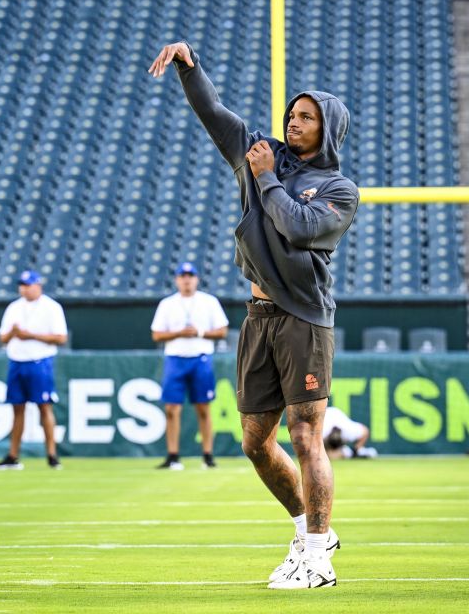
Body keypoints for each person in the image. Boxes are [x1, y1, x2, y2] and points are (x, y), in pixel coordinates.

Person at [151, 41, 359, 589]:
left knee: (306, 434)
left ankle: (318, 559)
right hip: (258, 315)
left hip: (304, 317)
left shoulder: (339, 189)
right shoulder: (258, 151)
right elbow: (215, 114)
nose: (293, 122)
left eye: (306, 117)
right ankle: (307, 531)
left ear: (328, 129)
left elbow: (299, 228)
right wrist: (189, 67)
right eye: (292, 114)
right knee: (252, 441)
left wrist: (266, 178)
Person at [150, 262, 229, 470]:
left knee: (203, 407)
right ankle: (173, 455)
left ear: (196, 279)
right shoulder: (167, 304)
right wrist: (179, 333)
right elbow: (157, 334)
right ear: (177, 279)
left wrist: (199, 332)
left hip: (200, 358)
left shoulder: (209, 302)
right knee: (171, 408)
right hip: (175, 359)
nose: (186, 279)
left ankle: (208, 454)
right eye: (183, 276)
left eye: (190, 275)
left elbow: (222, 331)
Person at [0, 270, 68, 471]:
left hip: (39, 361)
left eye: (28, 285)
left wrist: (30, 335)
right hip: (17, 361)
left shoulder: (51, 307)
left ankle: (52, 454)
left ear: (38, 286)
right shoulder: (14, 308)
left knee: (44, 406)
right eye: (22, 285)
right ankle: (13, 455)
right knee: (17, 408)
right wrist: (14, 334)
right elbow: (3, 337)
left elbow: (60, 338)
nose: (24, 289)